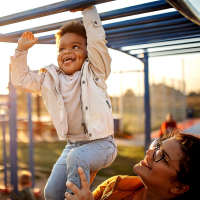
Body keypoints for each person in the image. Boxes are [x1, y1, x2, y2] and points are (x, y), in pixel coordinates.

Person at [10, 5, 117, 200]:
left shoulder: (95, 72)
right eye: (62, 48)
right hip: (73, 145)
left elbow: (97, 42)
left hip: (102, 144)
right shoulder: (50, 77)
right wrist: (20, 51)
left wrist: (88, 11)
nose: (67, 51)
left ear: (86, 52)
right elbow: (21, 80)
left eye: (75, 46)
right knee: (50, 193)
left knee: (76, 160)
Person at [65, 130, 200, 200]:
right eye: (157, 146)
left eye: (162, 157)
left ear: (179, 187)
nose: (149, 151)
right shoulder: (115, 185)